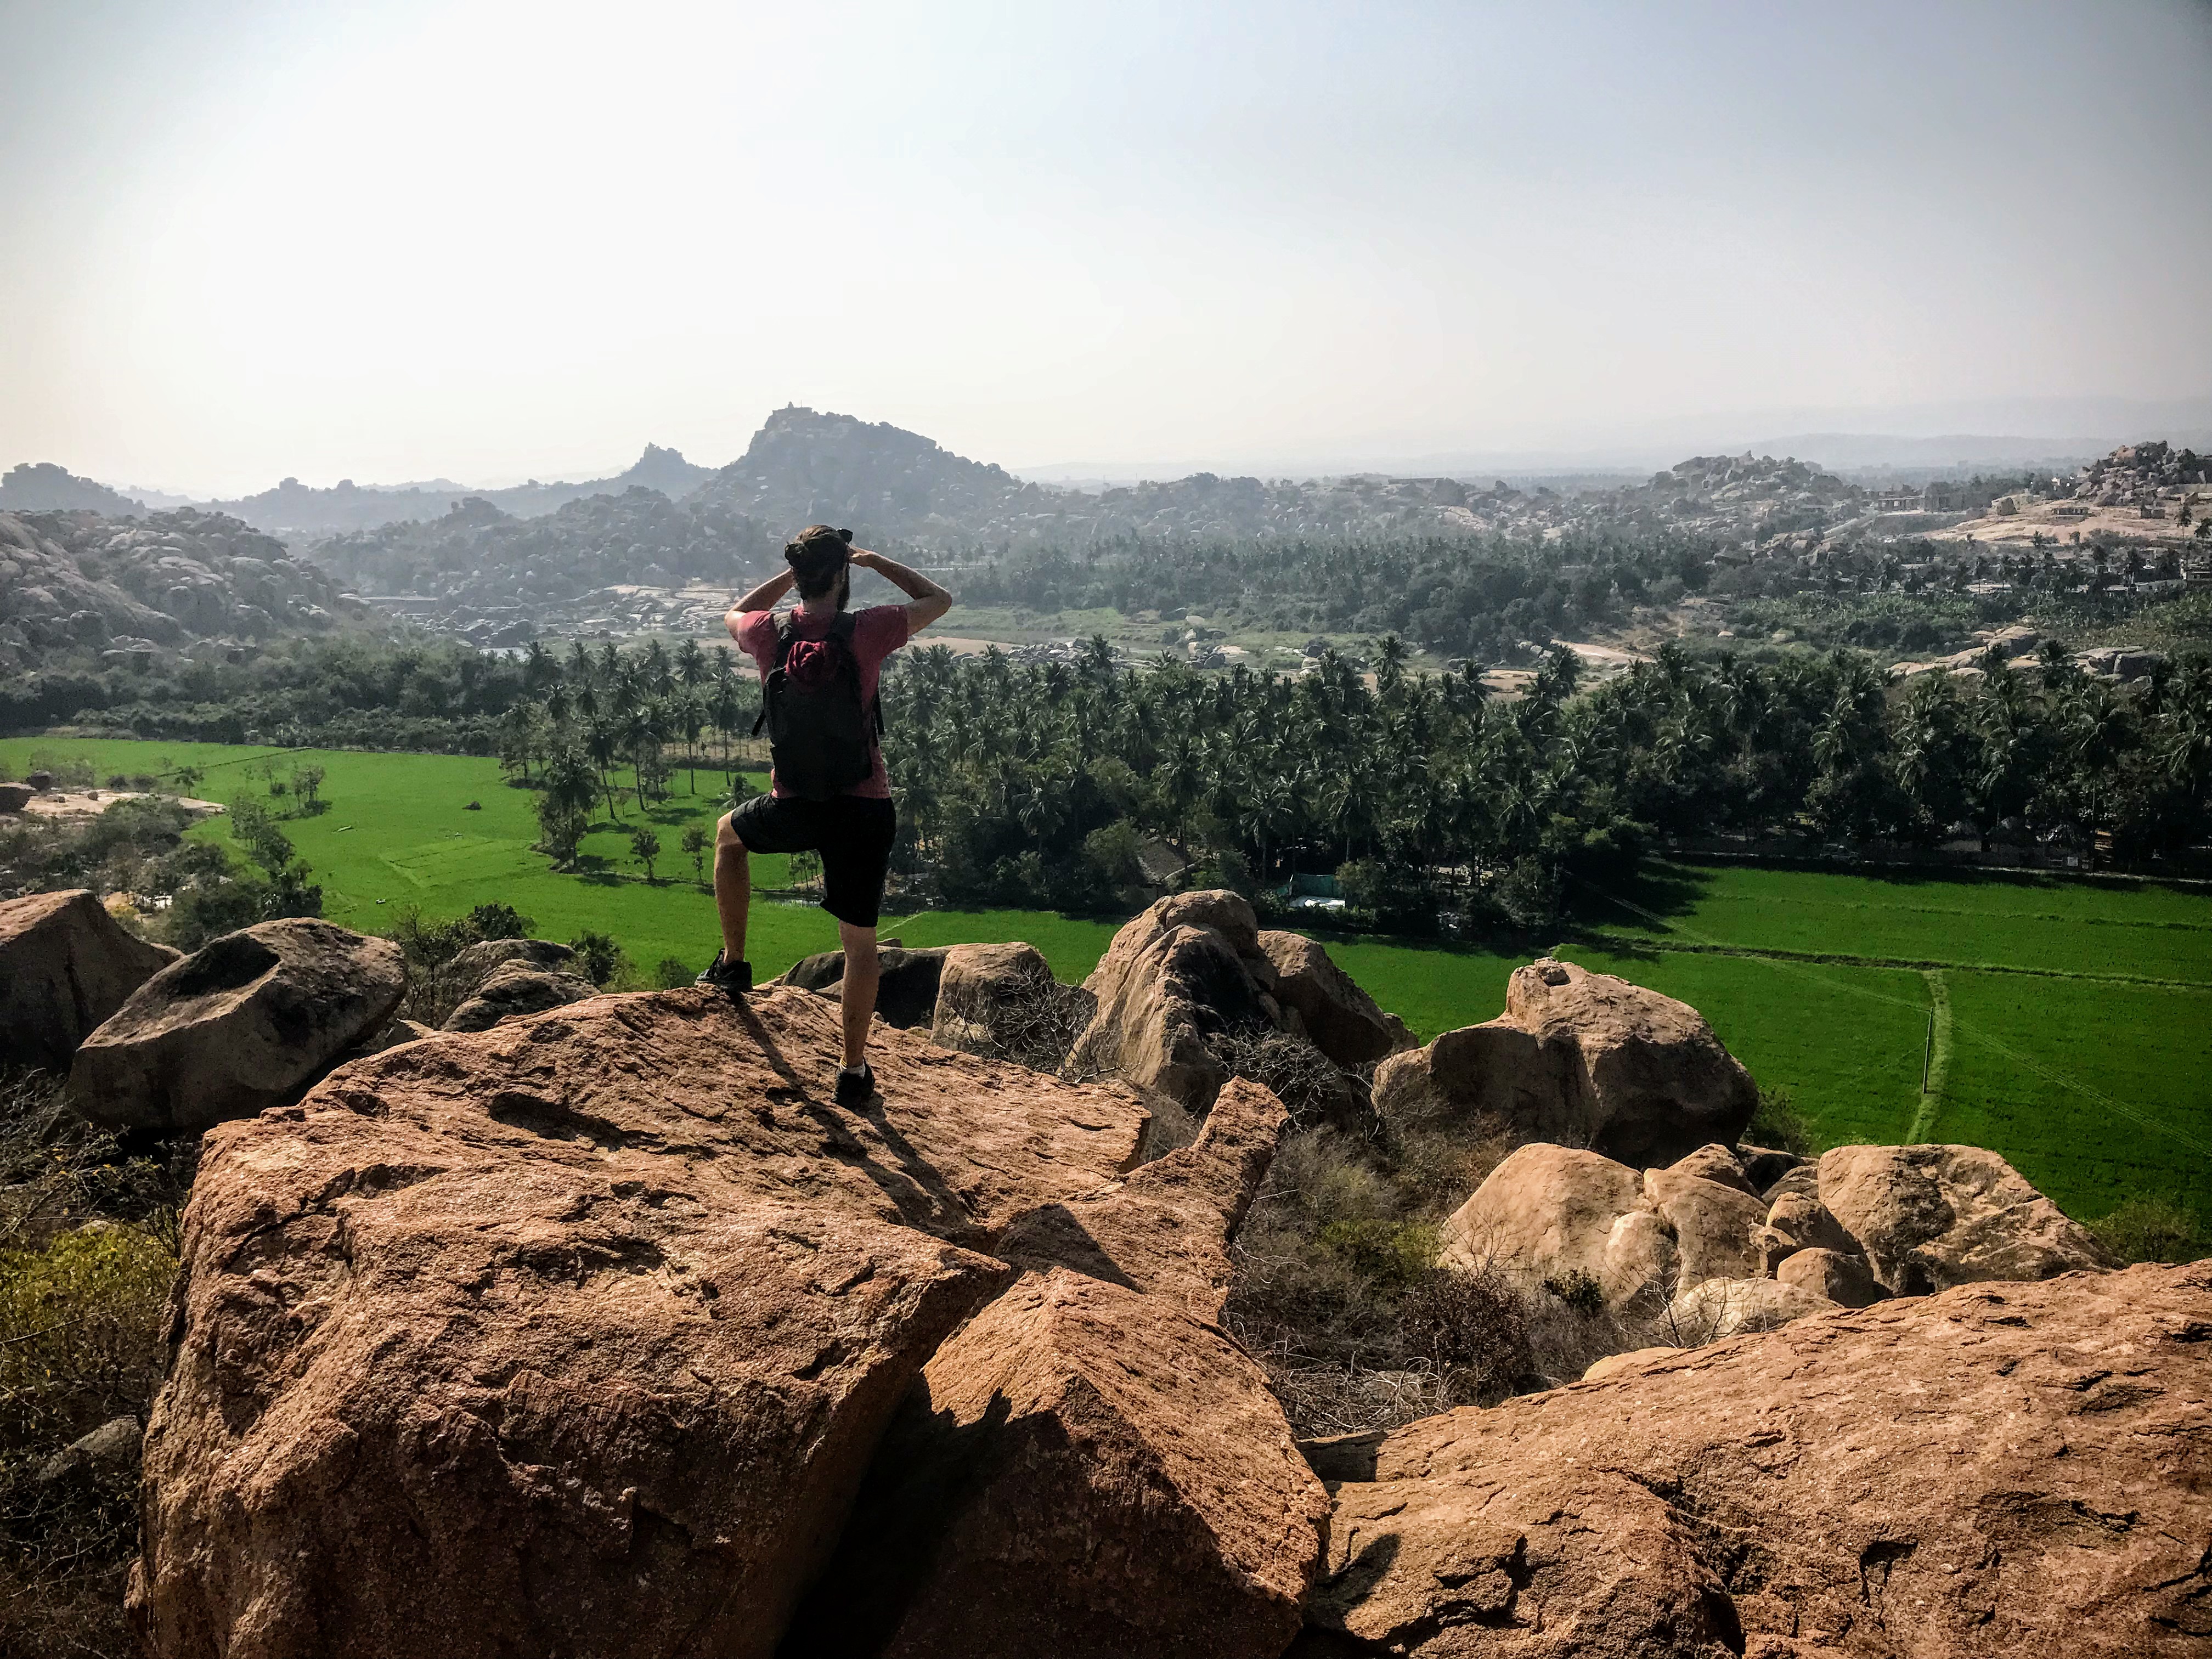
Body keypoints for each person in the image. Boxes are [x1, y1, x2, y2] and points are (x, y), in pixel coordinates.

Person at [699, 524, 951, 1106]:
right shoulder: (866, 630)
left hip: (796, 804)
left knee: (728, 837)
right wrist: (871, 560)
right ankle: (852, 1071)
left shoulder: (769, 633)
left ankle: (734, 964)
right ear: (841, 575)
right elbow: (938, 600)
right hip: (863, 808)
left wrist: (796, 573)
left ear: (799, 574)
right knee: (860, 947)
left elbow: (734, 611)